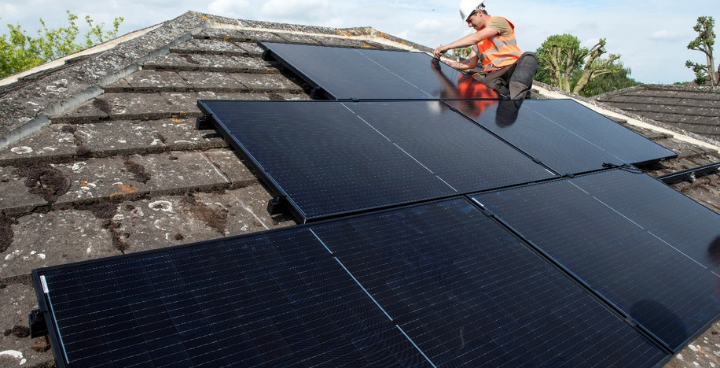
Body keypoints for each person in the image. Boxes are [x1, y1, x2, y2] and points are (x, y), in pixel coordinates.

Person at [433, 0, 537, 100]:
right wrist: (450, 64)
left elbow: (477, 37)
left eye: (470, 20)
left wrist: (446, 47)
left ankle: (518, 98)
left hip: (513, 68)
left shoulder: (498, 21)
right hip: (495, 75)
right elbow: (470, 63)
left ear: (479, 13)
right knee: (483, 82)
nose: (469, 25)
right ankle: (509, 97)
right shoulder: (478, 41)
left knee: (529, 58)